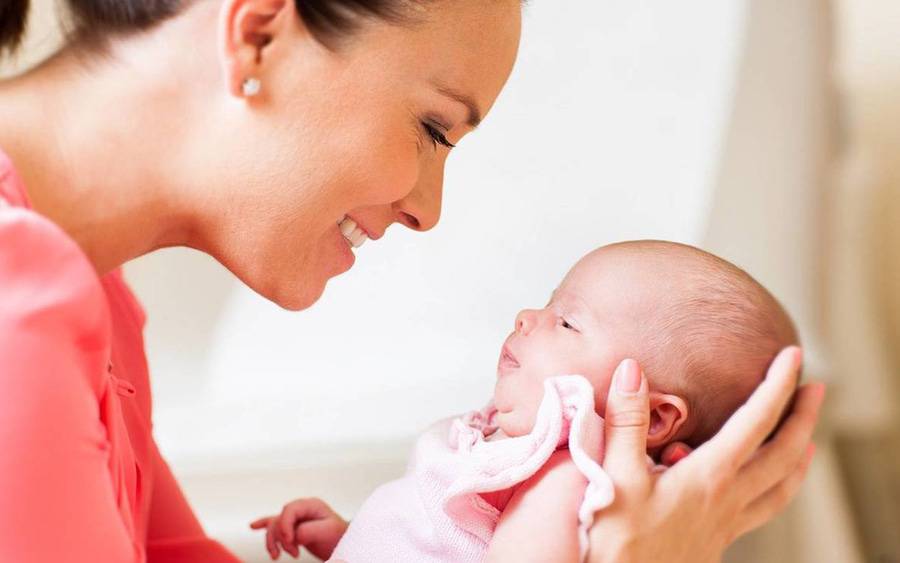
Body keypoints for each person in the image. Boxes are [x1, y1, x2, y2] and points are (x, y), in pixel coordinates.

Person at [0, 1, 823, 561]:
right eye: (433, 128)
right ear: (257, 35)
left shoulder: (88, 304)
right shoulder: (19, 312)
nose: (430, 210)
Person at [250, 240, 804, 562]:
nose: (526, 317)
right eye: (547, 303)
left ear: (654, 416)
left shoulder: (559, 480)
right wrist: (354, 539)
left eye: (566, 321)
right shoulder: (516, 457)